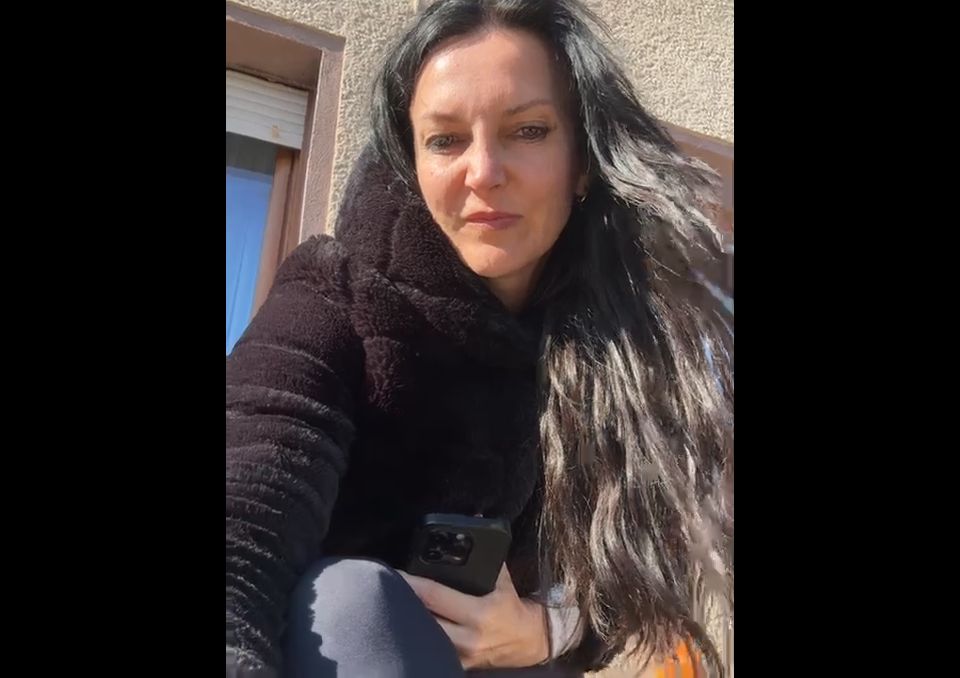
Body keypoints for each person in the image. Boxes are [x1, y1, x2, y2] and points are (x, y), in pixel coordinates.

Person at [226, 0, 733, 676]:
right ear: (411, 161)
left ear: (582, 161)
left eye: (528, 130)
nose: (484, 171)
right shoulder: (333, 295)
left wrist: (546, 628)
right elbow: (248, 505)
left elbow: (639, 572)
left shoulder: (623, 353)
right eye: (445, 139)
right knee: (348, 599)